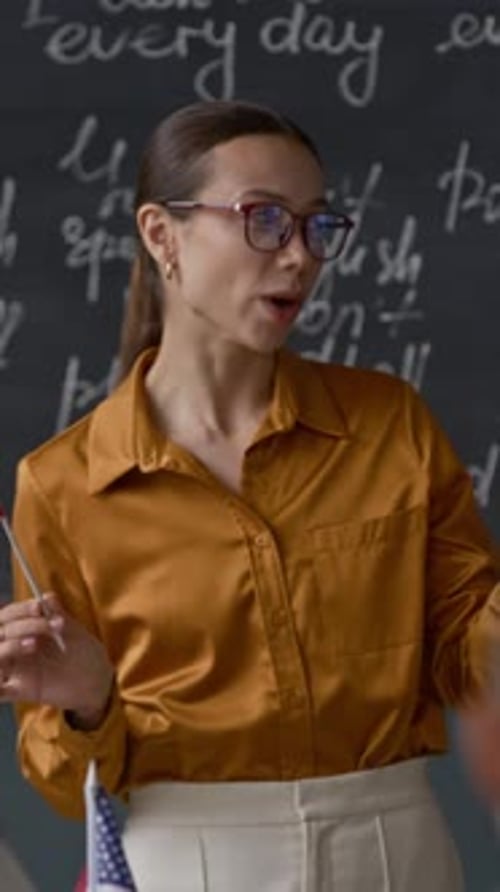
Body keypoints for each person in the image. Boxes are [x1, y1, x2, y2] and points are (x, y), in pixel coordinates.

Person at [0, 99, 499, 892]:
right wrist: (87, 703)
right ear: (162, 235)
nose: (299, 256)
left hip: (394, 848)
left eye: (316, 226)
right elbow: (65, 790)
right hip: (187, 861)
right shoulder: (64, 485)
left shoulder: (390, 423)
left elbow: (471, 671)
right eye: (264, 219)